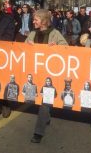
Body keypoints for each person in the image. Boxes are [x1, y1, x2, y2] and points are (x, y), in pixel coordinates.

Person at [26, 9, 68, 143]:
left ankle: (38, 132)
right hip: (36, 72)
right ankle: (47, 117)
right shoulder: (32, 33)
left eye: (36, 20)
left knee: (44, 102)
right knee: (39, 99)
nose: (33, 22)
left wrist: (57, 47)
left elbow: (67, 48)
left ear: (44, 21)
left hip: (50, 74)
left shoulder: (55, 34)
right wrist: (28, 45)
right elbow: (22, 49)